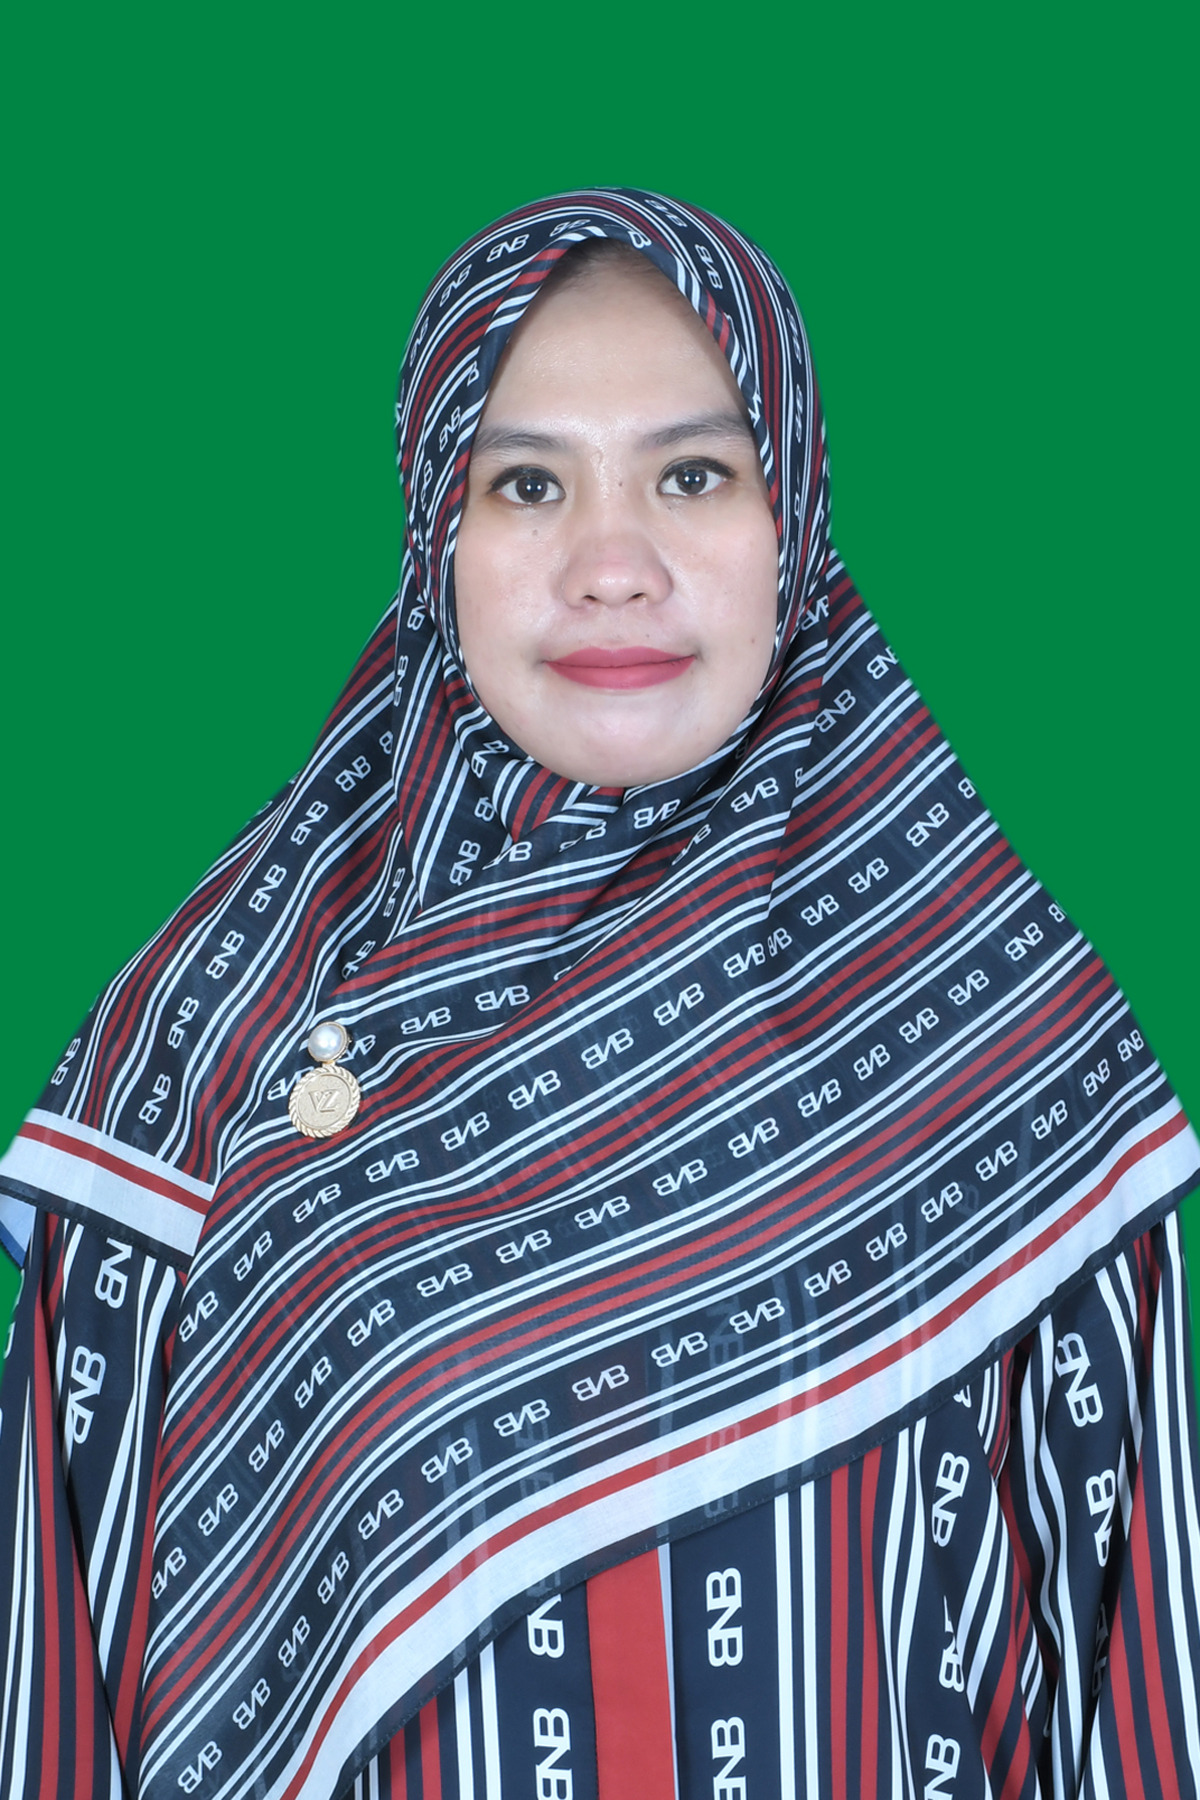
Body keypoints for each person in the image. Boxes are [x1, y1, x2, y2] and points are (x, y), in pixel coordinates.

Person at [0, 188, 1197, 1800]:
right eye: (527, 482)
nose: (612, 564)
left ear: (797, 513)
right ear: (436, 535)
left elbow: (1134, 1672)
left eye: (693, 474)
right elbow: (61, 1676)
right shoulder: (207, 1047)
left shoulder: (995, 1023)